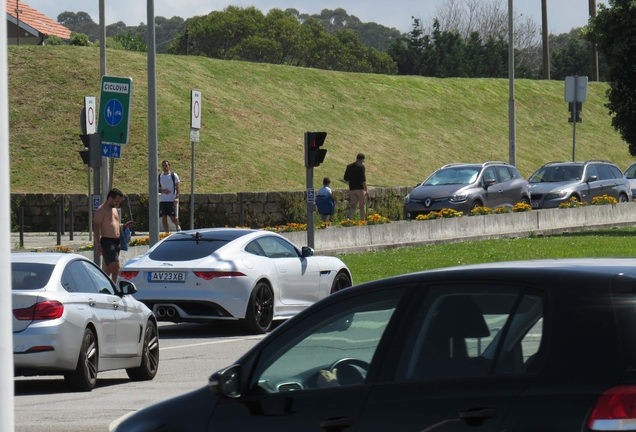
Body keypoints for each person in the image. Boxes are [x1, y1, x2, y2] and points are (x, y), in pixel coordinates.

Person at [93, 188, 133, 283]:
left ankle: (100, 286)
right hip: (107, 242)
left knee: (108, 270)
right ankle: (116, 290)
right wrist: (98, 245)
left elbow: (114, 225)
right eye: (117, 201)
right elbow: (96, 228)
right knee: (116, 268)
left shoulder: (114, 209)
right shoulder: (101, 210)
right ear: (110, 198)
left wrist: (123, 227)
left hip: (117, 242)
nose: (118, 204)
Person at [343, 153, 369, 220]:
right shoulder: (361, 167)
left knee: (353, 206)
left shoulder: (349, 166)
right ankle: (362, 221)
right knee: (362, 206)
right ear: (362, 159)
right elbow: (363, 179)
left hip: (352, 189)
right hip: (360, 189)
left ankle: (348, 218)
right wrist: (366, 190)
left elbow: (345, 178)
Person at [159, 160, 181, 233]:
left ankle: (177, 226)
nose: (165, 167)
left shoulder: (173, 175)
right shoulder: (160, 176)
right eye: (163, 166)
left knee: (172, 217)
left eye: (166, 165)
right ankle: (166, 233)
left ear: (169, 166)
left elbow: (178, 187)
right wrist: (162, 191)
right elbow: (156, 188)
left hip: (171, 199)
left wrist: (177, 197)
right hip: (163, 200)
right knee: (164, 217)